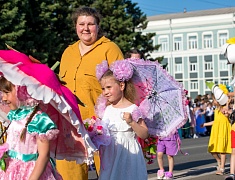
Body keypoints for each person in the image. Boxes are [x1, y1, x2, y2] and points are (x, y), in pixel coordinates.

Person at [59, 7, 124, 179]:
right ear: (75, 26)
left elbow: (123, 84)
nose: (85, 28)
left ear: (98, 26)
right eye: (81, 24)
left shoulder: (109, 49)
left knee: (108, 173)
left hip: (101, 126)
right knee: (68, 174)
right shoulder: (68, 52)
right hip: (70, 125)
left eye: (90, 24)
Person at [0, 76, 62, 179]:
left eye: (7, 93)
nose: (4, 98)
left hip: (30, 172)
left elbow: (43, 156)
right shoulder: (16, 114)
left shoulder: (38, 120)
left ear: (21, 91)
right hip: (11, 170)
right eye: (2, 93)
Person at [96, 60, 149, 180]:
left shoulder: (132, 108)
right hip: (110, 155)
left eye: (109, 87)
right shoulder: (106, 109)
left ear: (121, 85)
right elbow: (103, 131)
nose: (105, 92)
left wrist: (131, 122)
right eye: (103, 89)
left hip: (128, 155)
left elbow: (144, 134)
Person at [201, 94, 231, 175]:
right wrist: (205, 124)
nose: (213, 101)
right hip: (216, 131)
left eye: (214, 100)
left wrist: (227, 104)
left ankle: (222, 169)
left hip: (223, 131)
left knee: (222, 151)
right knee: (212, 150)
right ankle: (219, 160)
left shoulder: (225, 109)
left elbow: (227, 114)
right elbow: (216, 121)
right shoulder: (216, 110)